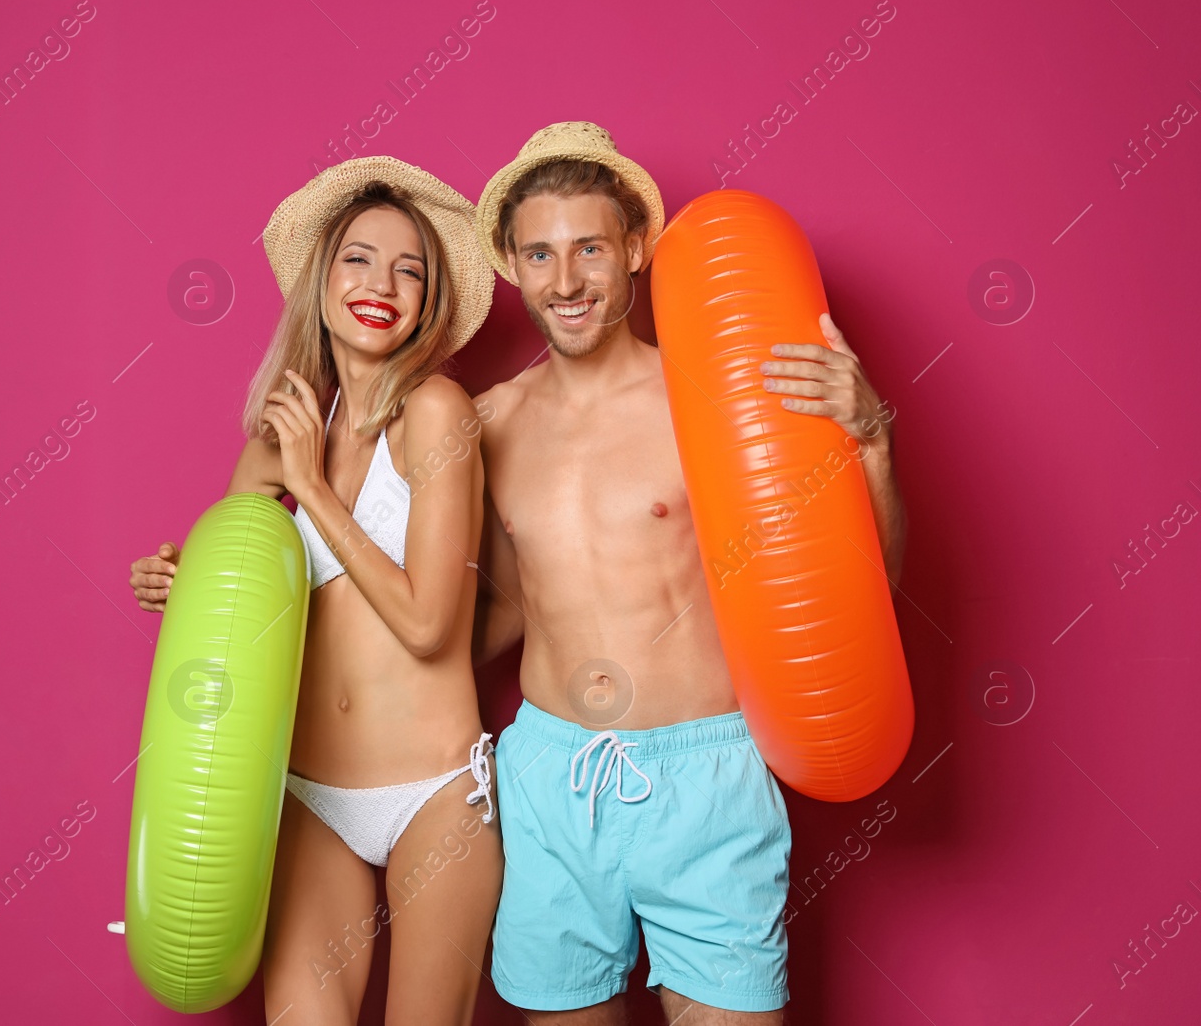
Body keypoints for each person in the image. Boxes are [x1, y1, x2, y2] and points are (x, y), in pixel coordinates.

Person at [471, 122, 907, 1024]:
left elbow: (862, 595)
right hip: (552, 780)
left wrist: (872, 443)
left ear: (636, 248)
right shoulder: (487, 422)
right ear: (512, 265)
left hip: (706, 778)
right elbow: (504, 605)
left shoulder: (715, 400)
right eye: (541, 253)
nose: (566, 282)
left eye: (590, 247)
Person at [129, 156, 503, 1025]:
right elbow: (235, 630)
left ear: (430, 301)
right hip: (308, 798)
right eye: (360, 260)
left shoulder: (437, 413)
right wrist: (177, 591)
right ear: (322, 280)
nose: (383, 284)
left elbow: (425, 622)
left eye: (410, 271)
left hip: (434, 794)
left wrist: (316, 487)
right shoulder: (283, 433)